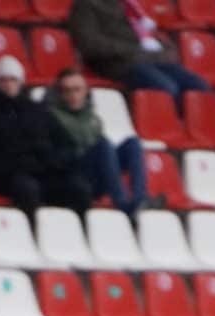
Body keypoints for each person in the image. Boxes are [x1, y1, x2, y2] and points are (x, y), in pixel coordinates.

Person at [0, 57, 88, 215]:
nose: (8, 84)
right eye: (3, 80)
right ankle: (34, 234)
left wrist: (54, 161)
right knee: (28, 190)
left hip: (45, 172)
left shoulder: (38, 111)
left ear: (21, 81)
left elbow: (66, 143)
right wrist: (15, 166)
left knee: (79, 188)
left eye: (13, 79)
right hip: (11, 177)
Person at [68, 0, 210, 108]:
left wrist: (165, 50)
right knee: (165, 88)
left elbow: (152, 35)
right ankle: (166, 129)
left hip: (149, 60)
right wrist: (130, 51)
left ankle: (197, 134)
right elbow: (89, 44)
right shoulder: (86, 5)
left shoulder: (132, 5)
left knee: (198, 86)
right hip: (118, 64)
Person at [46, 69, 146, 213]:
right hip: (74, 175)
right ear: (60, 94)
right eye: (67, 91)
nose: (73, 95)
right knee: (104, 145)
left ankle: (140, 199)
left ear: (86, 91)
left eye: (77, 90)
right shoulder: (52, 117)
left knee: (133, 144)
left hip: (96, 173)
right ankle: (122, 203)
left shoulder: (92, 118)